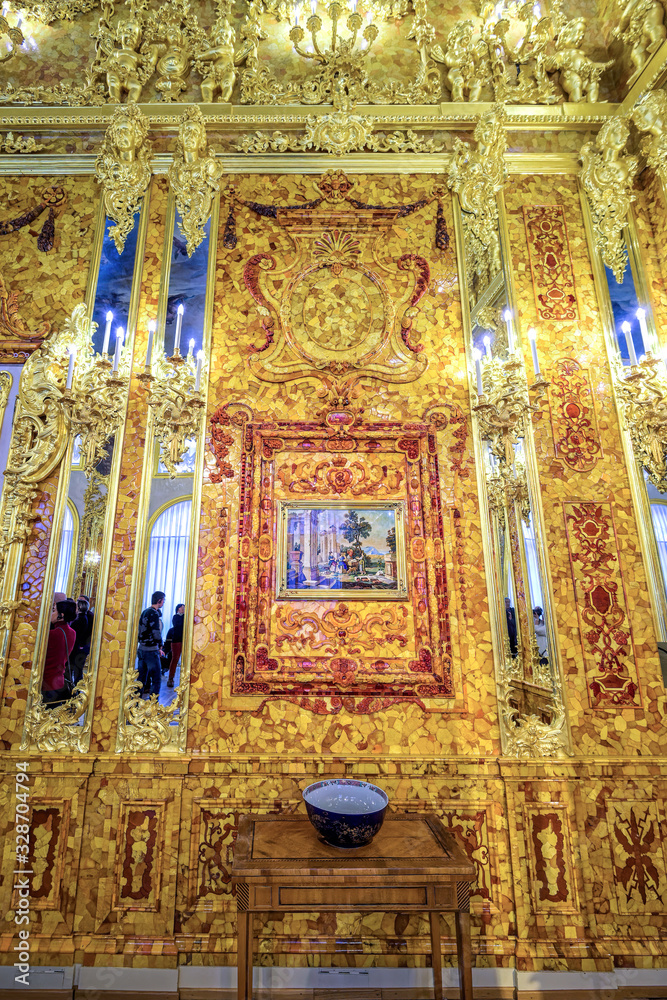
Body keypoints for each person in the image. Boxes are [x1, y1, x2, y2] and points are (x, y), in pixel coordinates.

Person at [42, 593, 77, 705]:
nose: (51, 614)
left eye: (53, 611)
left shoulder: (52, 634)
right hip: (59, 681)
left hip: (46, 682)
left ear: (60, 615)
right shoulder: (72, 632)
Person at [136, 591, 165, 699]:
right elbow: (155, 632)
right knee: (156, 679)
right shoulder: (154, 613)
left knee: (141, 680)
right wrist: (160, 645)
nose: (163, 603)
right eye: (163, 600)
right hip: (151, 650)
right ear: (159, 601)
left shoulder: (145, 612)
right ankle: (153, 705)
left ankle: (135, 703)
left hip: (141, 648)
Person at [71, 597, 94, 685]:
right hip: (81, 646)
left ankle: (76, 688)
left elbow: (86, 633)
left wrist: (82, 644)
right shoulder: (82, 617)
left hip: (81, 646)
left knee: (77, 669)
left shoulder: (84, 618)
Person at [167, 603, 184, 688]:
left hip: (184, 640)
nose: (183, 608)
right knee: (175, 659)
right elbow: (178, 625)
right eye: (182, 607)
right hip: (176, 640)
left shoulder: (184, 617)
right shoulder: (176, 617)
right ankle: (170, 678)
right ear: (178, 609)